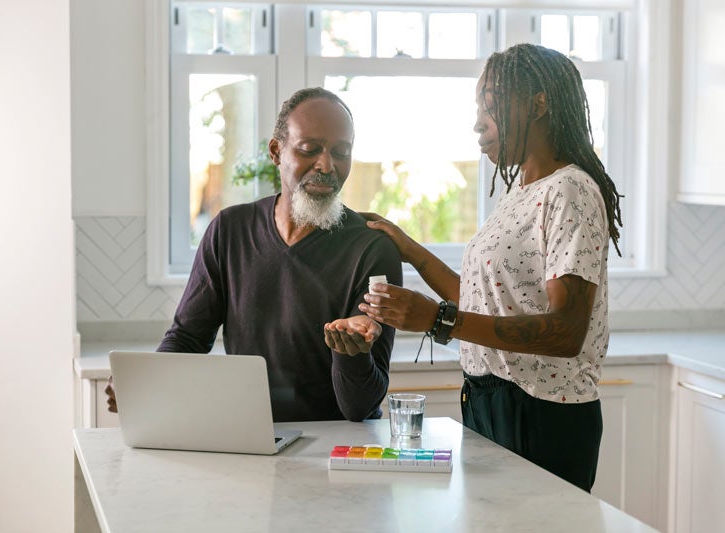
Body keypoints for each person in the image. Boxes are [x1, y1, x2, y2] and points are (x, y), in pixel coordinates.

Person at [352, 44, 623, 492]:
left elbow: (567, 332)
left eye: (490, 105)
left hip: (541, 411)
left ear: (538, 103)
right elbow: (489, 299)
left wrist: (438, 320)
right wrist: (410, 249)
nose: (478, 121)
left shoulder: (570, 189)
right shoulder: (520, 191)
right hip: (487, 397)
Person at [106, 87, 402, 423]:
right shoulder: (229, 230)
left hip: (341, 447)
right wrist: (147, 381)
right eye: (310, 149)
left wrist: (352, 354)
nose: (327, 164)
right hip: (252, 435)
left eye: (341, 151)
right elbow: (188, 338)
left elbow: (359, 408)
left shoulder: (372, 250)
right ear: (276, 152)